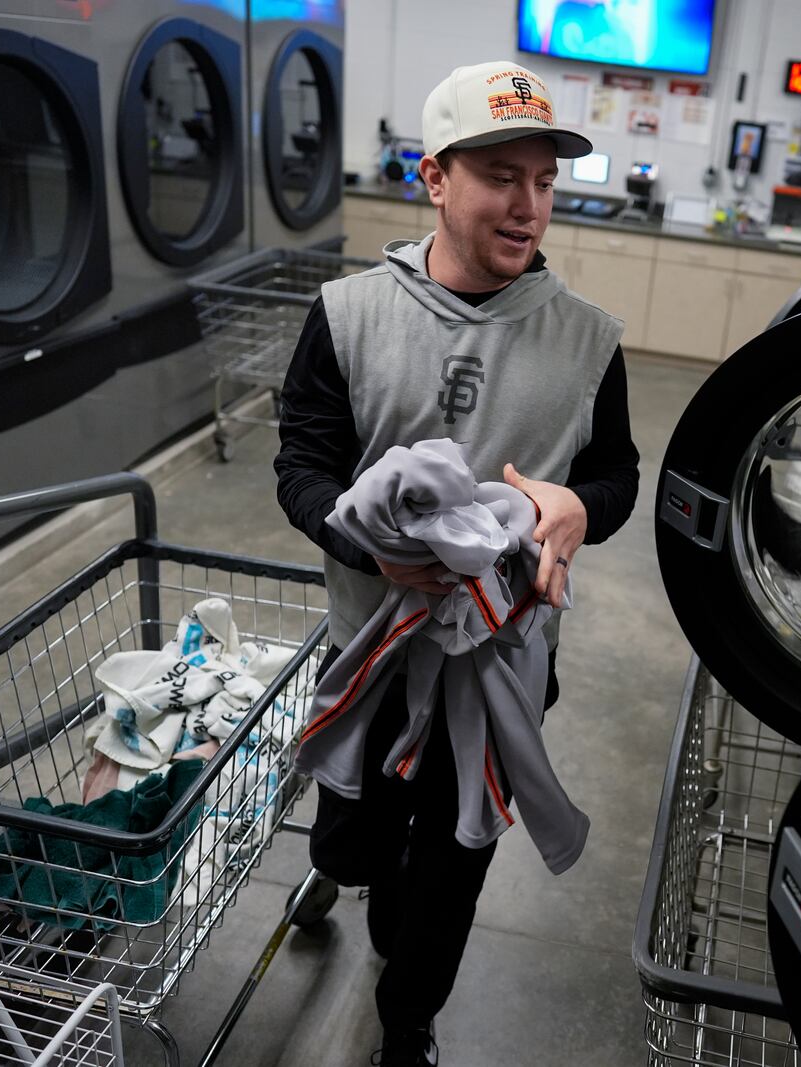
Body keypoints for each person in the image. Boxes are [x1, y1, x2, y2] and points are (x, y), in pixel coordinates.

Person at [273, 60, 639, 1067]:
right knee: (353, 841)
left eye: (545, 182)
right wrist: (364, 541)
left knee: (446, 866)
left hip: (501, 671)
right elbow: (300, 462)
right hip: (369, 654)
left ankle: (407, 1020)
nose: (529, 207)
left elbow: (616, 478)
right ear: (434, 178)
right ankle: (346, 864)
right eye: (501, 177)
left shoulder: (586, 341)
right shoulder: (348, 315)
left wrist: (571, 505)